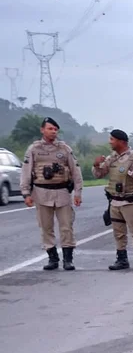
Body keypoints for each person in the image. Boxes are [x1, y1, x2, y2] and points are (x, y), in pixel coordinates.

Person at [19, 116, 84, 271]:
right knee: (46, 227)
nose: (53, 132)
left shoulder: (64, 149)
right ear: (42, 130)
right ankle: (52, 258)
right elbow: (26, 172)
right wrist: (26, 193)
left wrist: (78, 193)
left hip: (62, 192)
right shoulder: (34, 149)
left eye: (55, 129)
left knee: (66, 227)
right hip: (41, 193)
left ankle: (68, 259)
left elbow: (76, 172)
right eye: (50, 128)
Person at [93, 129, 133, 271]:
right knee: (118, 233)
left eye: (112, 139)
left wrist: (132, 174)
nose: (110, 142)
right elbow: (99, 175)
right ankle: (122, 260)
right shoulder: (111, 158)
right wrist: (96, 165)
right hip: (114, 202)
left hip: (130, 201)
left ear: (121, 142)